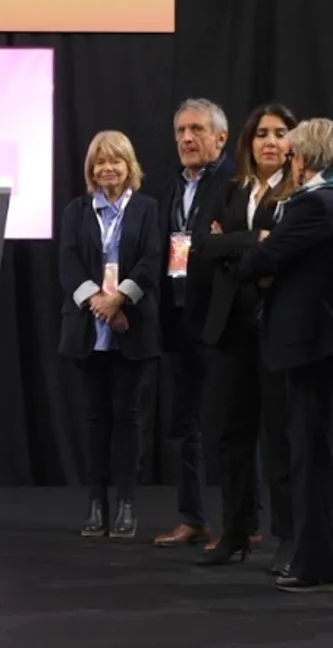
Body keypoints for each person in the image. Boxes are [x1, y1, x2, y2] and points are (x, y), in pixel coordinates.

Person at [239, 118, 333, 593]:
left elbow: (257, 263)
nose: (287, 161)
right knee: (316, 455)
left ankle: (322, 567)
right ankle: (332, 560)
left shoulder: (317, 205)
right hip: (320, 343)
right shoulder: (332, 201)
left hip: (316, 344)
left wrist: (265, 250)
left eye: (291, 155)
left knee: (312, 458)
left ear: (306, 160)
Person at [191, 104, 297, 570]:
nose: (270, 142)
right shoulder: (232, 190)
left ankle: (290, 540)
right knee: (234, 436)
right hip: (230, 329)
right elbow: (202, 243)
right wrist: (255, 240)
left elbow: (284, 250)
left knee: (282, 437)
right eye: (261, 134)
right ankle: (235, 533)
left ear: (293, 142)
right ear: (248, 143)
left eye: (279, 133)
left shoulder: (299, 192)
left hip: (277, 327)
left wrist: (233, 242)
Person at [59, 131, 160, 538]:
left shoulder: (149, 209)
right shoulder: (76, 211)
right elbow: (66, 263)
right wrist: (97, 304)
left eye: (115, 161)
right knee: (95, 420)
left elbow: (153, 260)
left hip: (133, 325)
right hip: (88, 328)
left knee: (129, 418)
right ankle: (96, 504)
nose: (108, 169)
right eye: (100, 162)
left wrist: (119, 301)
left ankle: (127, 506)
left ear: (129, 165)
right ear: (91, 169)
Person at [154, 98, 235, 548]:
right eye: (181, 130)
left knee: (230, 421)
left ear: (220, 137)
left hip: (220, 317)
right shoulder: (170, 189)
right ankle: (194, 518)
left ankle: (246, 522)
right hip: (178, 316)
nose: (187, 138)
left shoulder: (234, 183)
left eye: (197, 130)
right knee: (184, 423)